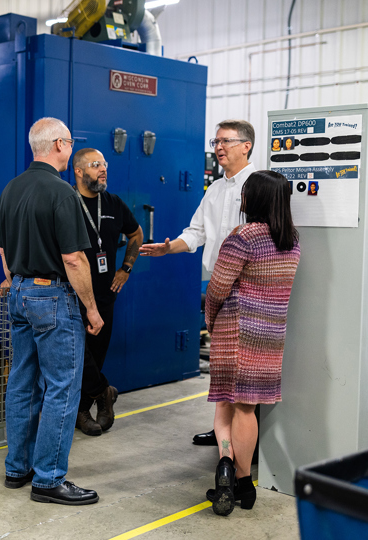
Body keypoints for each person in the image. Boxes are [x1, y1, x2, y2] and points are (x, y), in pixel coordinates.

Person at [0, 117, 103, 506]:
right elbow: (73, 259)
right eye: (70, 142)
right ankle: (49, 479)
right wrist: (91, 308)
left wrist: (21, 282)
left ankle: (16, 468)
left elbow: (4, 253)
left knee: (22, 381)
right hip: (52, 297)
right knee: (62, 387)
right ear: (60, 144)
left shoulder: (11, 189)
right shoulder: (61, 193)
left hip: (20, 292)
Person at [139, 119, 256, 447]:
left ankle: (243, 438)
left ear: (246, 145)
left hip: (247, 291)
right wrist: (168, 247)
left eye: (226, 141)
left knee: (243, 371)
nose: (218, 147)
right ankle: (223, 430)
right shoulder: (216, 189)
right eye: (216, 141)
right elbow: (197, 232)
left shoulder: (258, 185)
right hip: (218, 289)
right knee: (221, 366)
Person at [203, 170, 300, 515]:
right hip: (270, 337)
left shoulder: (243, 237)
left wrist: (210, 320)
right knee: (248, 408)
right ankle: (243, 483)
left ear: (253, 199)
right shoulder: (292, 240)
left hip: (236, 332)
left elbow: (217, 288)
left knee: (224, 407)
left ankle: (228, 468)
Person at [71, 148, 143, 436]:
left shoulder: (112, 203)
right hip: (72, 293)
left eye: (105, 164)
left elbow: (135, 234)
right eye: (95, 164)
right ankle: (103, 392)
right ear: (78, 171)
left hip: (105, 295)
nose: (103, 169)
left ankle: (83, 408)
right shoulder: (67, 203)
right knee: (78, 355)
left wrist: (126, 268)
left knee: (96, 355)